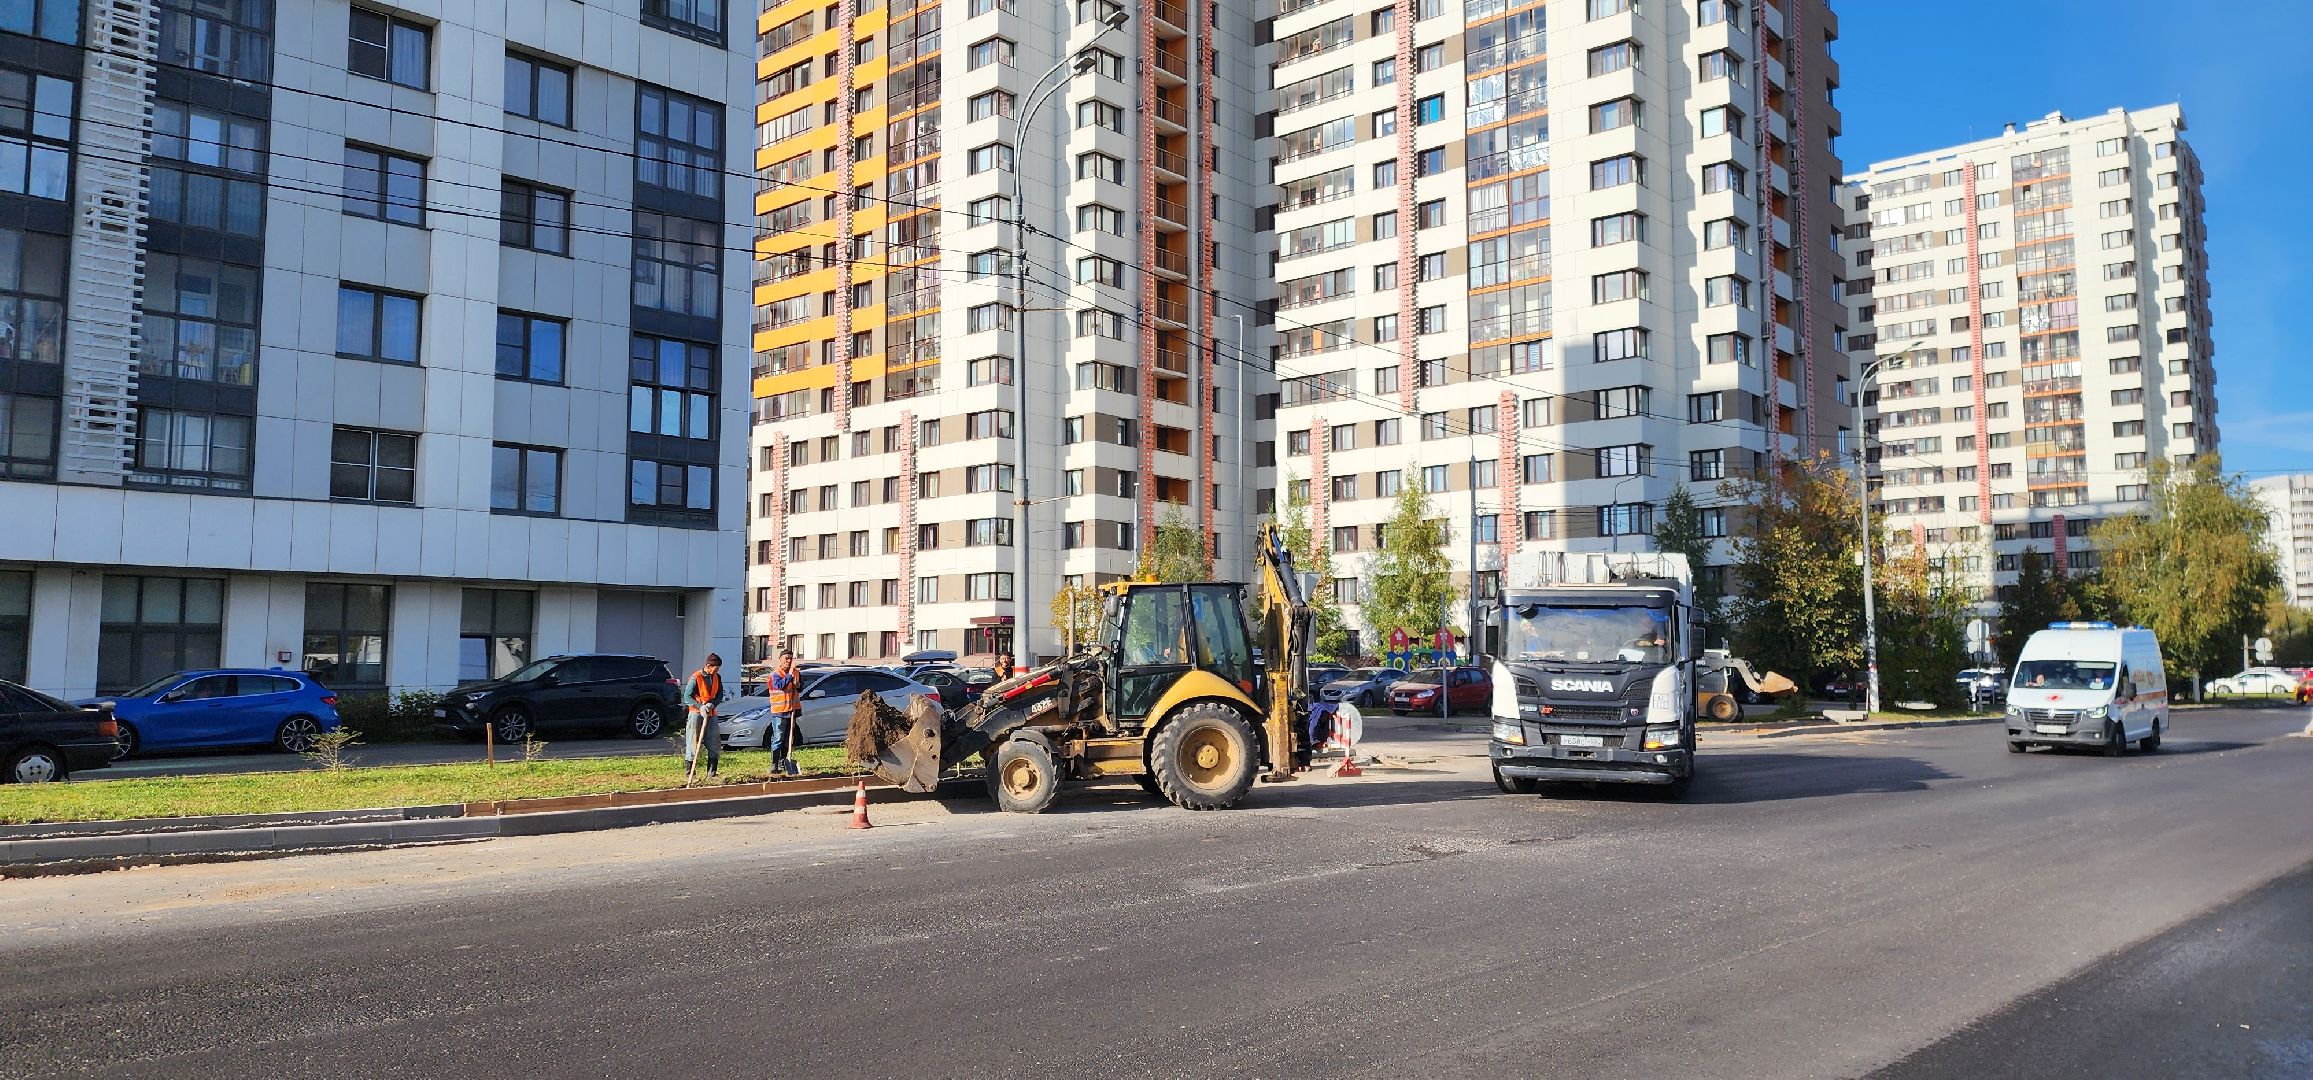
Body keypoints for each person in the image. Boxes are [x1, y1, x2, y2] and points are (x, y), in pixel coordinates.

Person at [683, 653, 725, 783]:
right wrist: (700, 706)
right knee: (693, 742)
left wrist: (713, 704)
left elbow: (719, 695)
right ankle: (690, 774)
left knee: (714, 742)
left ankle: (712, 773)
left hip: (711, 714)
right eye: (715, 668)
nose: (717, 670)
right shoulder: (696, 678)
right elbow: (687, 697)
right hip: (696, 714)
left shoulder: (717, 677)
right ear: (708, 666)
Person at [765, 651, 803, 777]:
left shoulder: (796, 673)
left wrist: (798, 685)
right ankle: (774, 764)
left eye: (791, 659)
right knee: (778, 737)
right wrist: (789, 676)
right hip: (780, 710)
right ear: (780, 659)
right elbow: (779, 686)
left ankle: (783, 762)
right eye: (786, 658)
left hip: (792, 710)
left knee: (788, 738)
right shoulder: (776, 674)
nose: (789, 661)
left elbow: (800, 687)